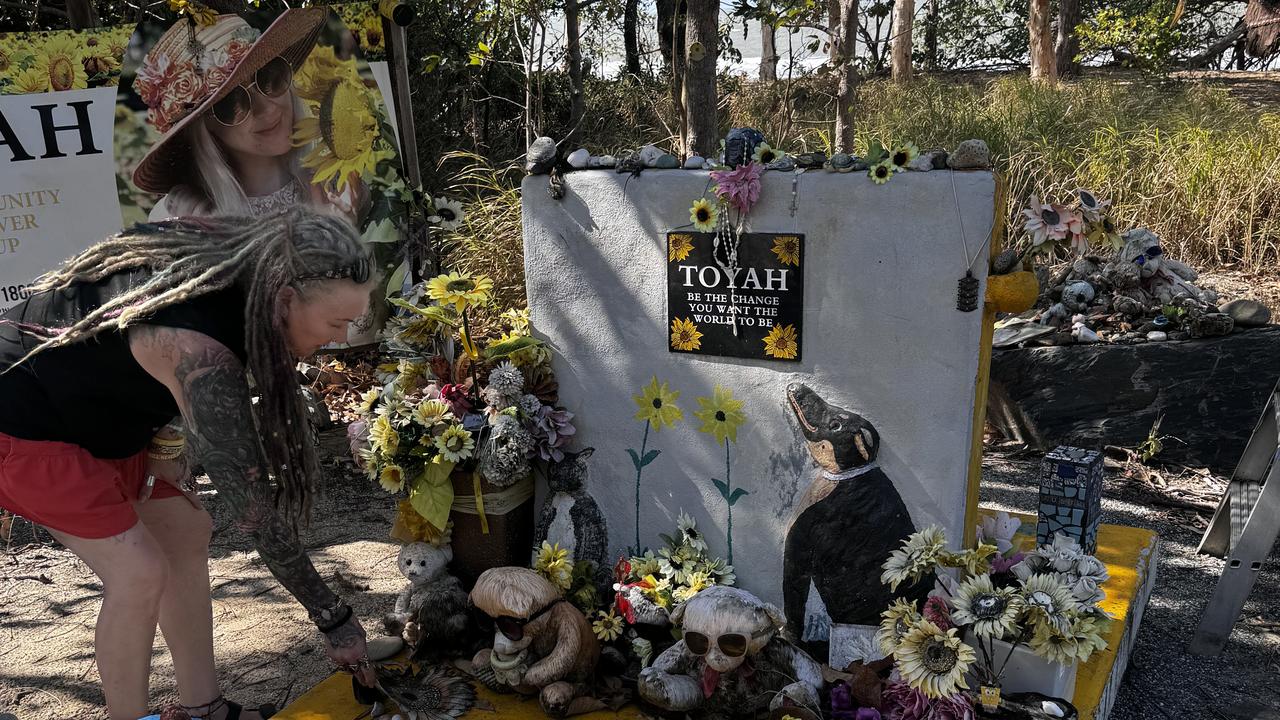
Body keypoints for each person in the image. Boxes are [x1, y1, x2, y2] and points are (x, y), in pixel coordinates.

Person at [0, 207, 379, 720]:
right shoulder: (201, 349)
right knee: (137, 572)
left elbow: (134, 350)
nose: (340, 337)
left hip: (100, 416)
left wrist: (164, 446)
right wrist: (333, 617)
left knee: (184, 528)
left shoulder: (243, 285)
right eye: (336, 322)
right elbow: (254, 514)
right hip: (23, 421)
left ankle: (202, 708)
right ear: (286, 298)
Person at [132, 8, 365, 222]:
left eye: (269, 77)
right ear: (203, 127)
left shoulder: (340, 185)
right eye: (231, 102)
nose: (267, 107)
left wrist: (347, 234)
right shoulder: (180, 218)